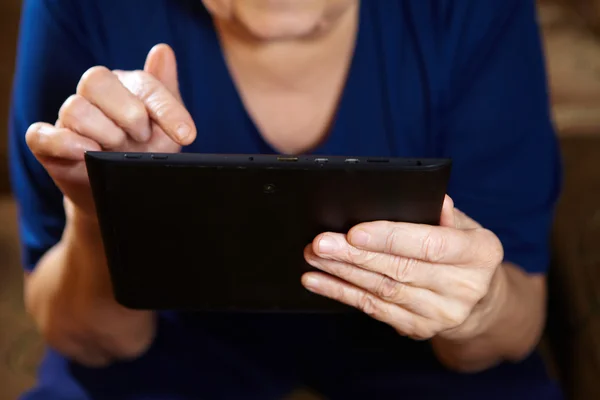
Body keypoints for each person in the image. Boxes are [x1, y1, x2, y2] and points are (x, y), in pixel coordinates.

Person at [8, 0, 563, 398]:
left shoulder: (476, 12)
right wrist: (102, 209)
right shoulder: (81, 9)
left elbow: (512, 326)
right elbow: (91, 338)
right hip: (173, 346)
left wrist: (479, 307)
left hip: (419, 354)